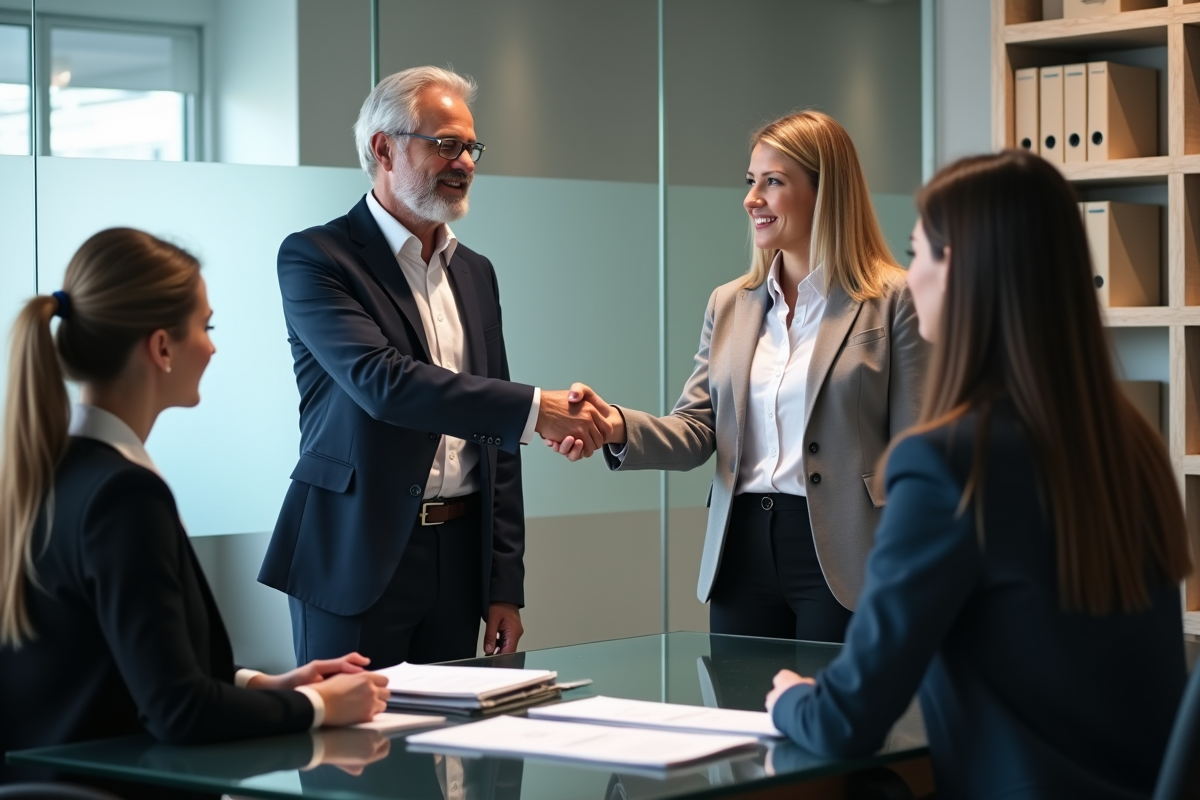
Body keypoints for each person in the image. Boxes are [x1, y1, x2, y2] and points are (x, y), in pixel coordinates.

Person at [766, 151, 1193, 799]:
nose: (910, 278)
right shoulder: (1130, 445)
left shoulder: (946, 462)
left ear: (960, 267)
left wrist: (789, 700)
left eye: (920, 254)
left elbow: (846, 720)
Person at [0, 228, 390, 791]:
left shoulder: (46, 473)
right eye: (205, 327)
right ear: (161, 347)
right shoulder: (123, 494)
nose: (212, 347)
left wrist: (263, 686)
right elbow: (178, 711)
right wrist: (317, 706)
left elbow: (117, 660)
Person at [257, 66, 610, 669]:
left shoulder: (476, 271)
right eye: (445, 143)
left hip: (458, 558)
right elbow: (383, 383)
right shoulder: (318, 257)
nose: (466, 161)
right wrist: (537, 409)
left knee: (453, 752)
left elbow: (496, 444)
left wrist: (504, 584)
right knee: (353, 754)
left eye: (471, 147)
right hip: (354, 553)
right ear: (383, 149)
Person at [552, 110, 927, 643]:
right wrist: (612, 424)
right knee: (739, 719)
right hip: (741, 552)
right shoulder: (730, 303)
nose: (752, 198)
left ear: (827, 192)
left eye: (773, 182)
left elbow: (921, 450)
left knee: (832, 723)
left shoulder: (895, 299)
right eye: (752, 182)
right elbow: (699, 429)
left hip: (851, 557)